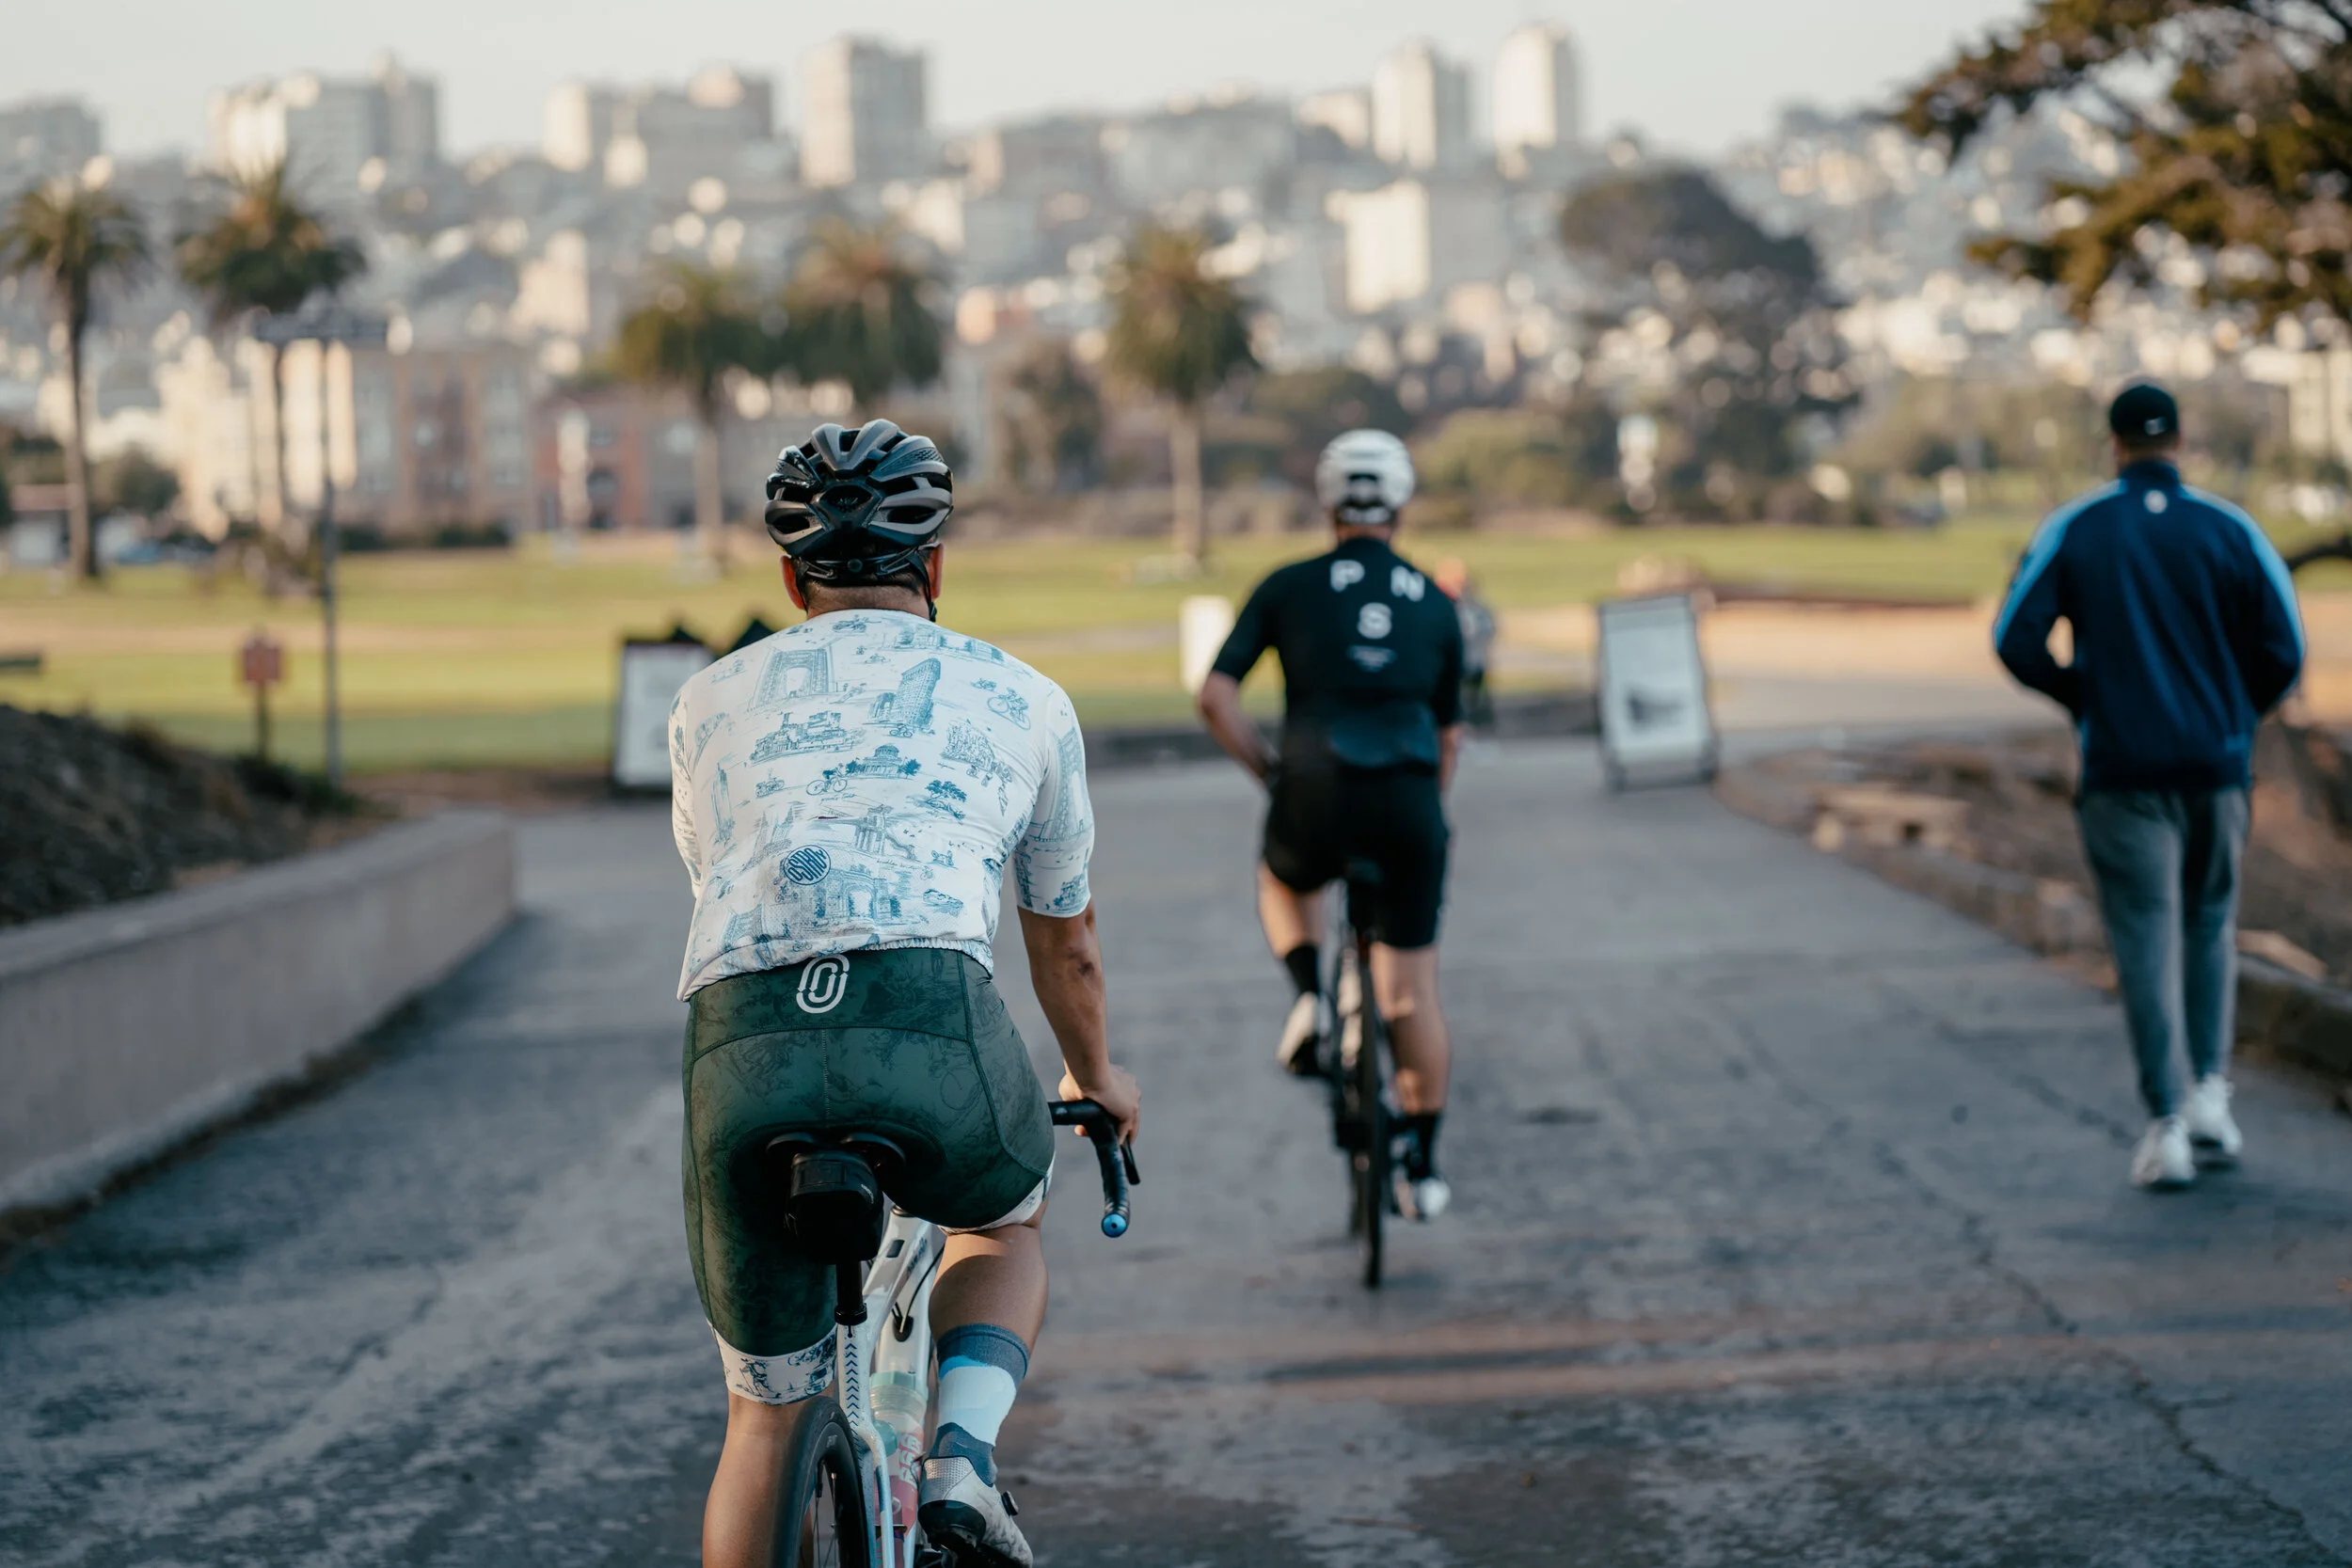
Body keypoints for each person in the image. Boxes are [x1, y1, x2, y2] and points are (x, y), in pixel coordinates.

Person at [668, 420, 1140, 1568]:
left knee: (761, 1420)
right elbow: (1066, 942)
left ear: (792, 581)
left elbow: (719, 879)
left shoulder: (703, 702)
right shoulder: (1025, 696)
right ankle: (961, 1454)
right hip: (929, 1022)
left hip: (744, 1043)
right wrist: (1097, 1075)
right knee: (1001, 1218)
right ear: (934, 566)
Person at [1994, 383, 2304, 1192]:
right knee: (2210, 925)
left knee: (2143, 942)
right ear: (2182, 441)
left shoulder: (2079, 526)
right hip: (2216, 766)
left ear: (2114, 443)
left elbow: (2015, 637)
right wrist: (2234, 714)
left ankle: (2166, 1124)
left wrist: (2083, 696)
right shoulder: (2231, 529)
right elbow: (2287, 648)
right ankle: (2211, 1097)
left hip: (2123, 773)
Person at [1195, 428, 1466, 1220]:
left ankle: (1309, 993)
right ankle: (1423, 1164)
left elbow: (1214, 696)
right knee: (1411, 993)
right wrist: (1424, 811)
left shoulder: (1288, 584)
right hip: (1408, 798)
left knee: (1285, 874)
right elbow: (1450, 738)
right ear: (1402, 504)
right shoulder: (1437, 602)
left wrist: (1269, 772)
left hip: (1312, 788)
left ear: (1327, 502)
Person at [1434, 557, 1498, 727]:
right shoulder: (1441, 604)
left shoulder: (1474, 606)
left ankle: (1473, 719)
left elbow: (1486, 629)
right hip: (1452, 663)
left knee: (1471, 695)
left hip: (1471, 660)